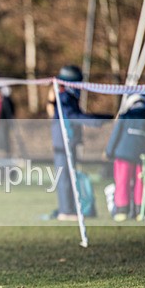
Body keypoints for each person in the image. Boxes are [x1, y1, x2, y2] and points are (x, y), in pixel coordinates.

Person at [47, 65, 108, 221]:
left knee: (70, 174)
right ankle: (66, 211)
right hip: (63, 140)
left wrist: (104, 117)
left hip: (69, 139)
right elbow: (74, 116)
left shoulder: (68, 96)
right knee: (64, 175)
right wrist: (98, 121)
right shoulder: (64, 97)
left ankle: (70, 208)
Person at [105, 94, 145, 221]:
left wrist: (109, 152)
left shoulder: (125, 117)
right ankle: (139, 211)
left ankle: (122, 211)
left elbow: (115, 136)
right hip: (140, 156)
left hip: (123, 156)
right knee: (140, 183)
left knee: (122, 182)